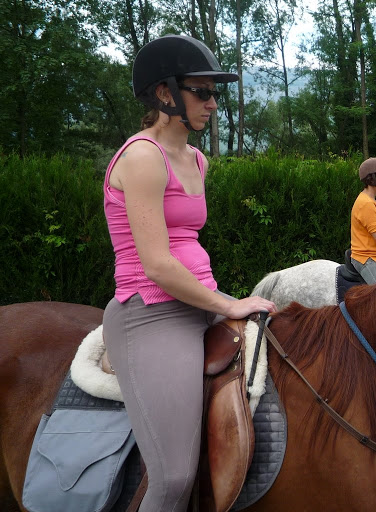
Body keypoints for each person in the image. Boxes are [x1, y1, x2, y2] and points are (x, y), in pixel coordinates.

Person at [101, 34, 277, 512]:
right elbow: (157, 264)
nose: (212, 104)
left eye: (214, 94)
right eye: (202, 92)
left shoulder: (196, 159)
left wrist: (214, 300)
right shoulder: (142, 157)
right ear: (165, 94)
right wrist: (228, 303)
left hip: (200, 303)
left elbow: (187, 241)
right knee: (175, 476)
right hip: (152, 314)